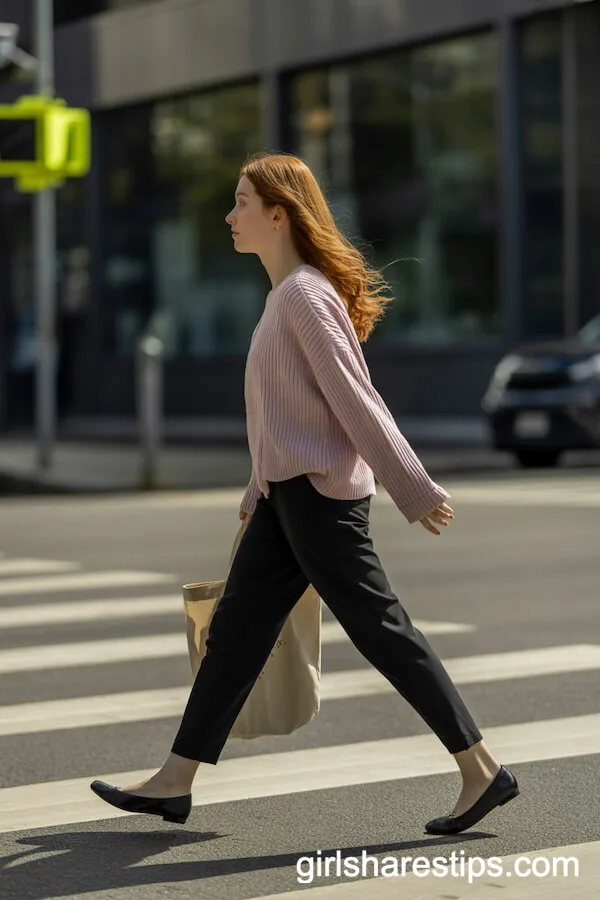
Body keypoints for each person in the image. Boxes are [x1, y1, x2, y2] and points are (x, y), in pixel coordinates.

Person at [91, 152, 519, 835]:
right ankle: (175, 780)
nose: (230, 216)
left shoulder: (301, 296)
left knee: (381, 629)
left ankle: (481, 770)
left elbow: (355, 399)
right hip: (286, 496)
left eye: (240, 203)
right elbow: (287, 411)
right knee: (233, 632)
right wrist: (258, 485)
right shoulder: (286, 296)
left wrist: (411, 485)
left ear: (278, 214)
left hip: (319, 498)